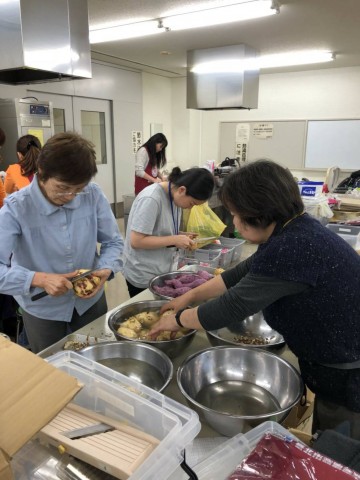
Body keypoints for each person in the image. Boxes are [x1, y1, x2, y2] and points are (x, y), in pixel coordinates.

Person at [149, 159, 360, 439]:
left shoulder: (293, 247)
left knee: (341, 448)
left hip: (347, 370)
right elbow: (238, 274)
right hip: (335, 358)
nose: (233, 221)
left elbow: (234, 304)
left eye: (235, 213)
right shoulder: (292, 230)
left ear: (258, 213)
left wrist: (176, 320)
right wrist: (188, 296)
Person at [0, 132, 124, 353]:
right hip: (42, 309)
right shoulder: (16, 208)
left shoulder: (92, 194)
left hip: (90, 302)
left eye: (78, 189)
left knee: (96, 357)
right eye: (62, 188)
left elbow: (113, 241)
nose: (70, 196)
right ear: (41, 172)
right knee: (53, 365)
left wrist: (106, 268)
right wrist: (38, 279)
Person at [123, 167, 215, 297]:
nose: (190, 207)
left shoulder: (174, 197)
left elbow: (159, 229)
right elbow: (137, 240)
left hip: (162, 269)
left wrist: (181, 235)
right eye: (192, 203)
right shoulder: (151, 198)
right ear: (182, 190)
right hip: (144, 273)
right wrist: (174, 240)